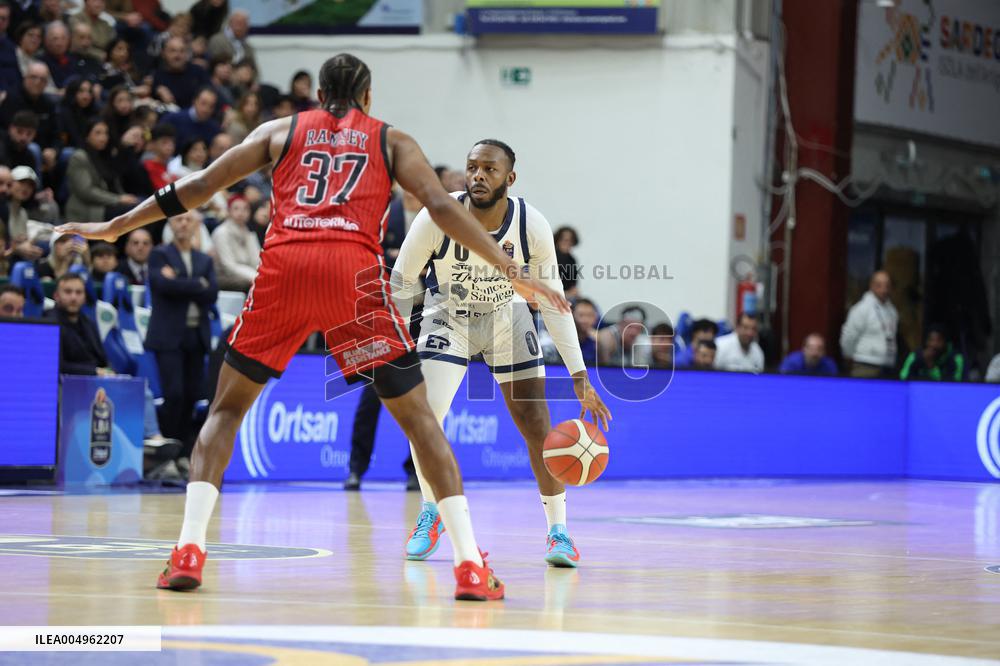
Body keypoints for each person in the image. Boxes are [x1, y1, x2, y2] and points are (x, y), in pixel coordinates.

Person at [57, 53, 567, 602]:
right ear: (368, 97)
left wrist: (117, 225)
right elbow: (442, 206)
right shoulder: (389, 140)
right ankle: (469, 566)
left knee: (225, 410)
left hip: (284, 266)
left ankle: (188, 549)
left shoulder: (281, 130)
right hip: (351, 276)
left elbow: (200, 185)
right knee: (421, 423)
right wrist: (513, 269)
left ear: (319, 95)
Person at [392, 138, 610, 569]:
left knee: (536, 424)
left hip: (505, 315)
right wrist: (392, 346)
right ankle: (429, 512)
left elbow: (553, 303)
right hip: (447, 314)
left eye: (489, 169)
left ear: (509, 178)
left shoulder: (532, 224)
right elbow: (401, 281)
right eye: (472, 167)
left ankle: (559, 532)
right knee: (427, 415)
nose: (478, 175)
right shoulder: (436, 215)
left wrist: (580, 376)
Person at [144, 211, 217, 468]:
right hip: (169, 336)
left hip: (196, 336)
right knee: (173, 394)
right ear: (171, 225)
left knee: (192, 396)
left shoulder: (203, 259)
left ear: (197, 225)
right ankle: (168, 452)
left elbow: (212, 294)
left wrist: (182, 283)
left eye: (188, 220)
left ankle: (184, 452)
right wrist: (197, 284)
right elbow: (161, 286)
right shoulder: (159, 254)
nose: (183, 223)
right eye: (178, 219)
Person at [66, 119, 139, 223]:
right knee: (134, 213)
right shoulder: (79, 157)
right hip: (90, 210)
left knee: (144, 207)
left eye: (105, 133)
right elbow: (86, 192)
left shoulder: (106, 156)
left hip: (108, 205)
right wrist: (118, 199)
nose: (103, 138)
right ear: (87, 136)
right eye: (98, 133)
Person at [43, 272, 111, 375]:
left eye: (79, 292)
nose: (74, 298)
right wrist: (95, 371)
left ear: (84, 297)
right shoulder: (49, 323)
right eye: (68, 292)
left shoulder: (89, 323)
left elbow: (102, 360)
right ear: (56, 296)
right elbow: (57, 366)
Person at [840, 270, 898, 378]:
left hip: (887, 366)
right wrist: (851, 357)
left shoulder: (892, 311)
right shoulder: (861, 308)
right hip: (865, 365)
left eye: (887, 286)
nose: (884, 289)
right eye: (879, 285)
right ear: (871, 286)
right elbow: (849, 336)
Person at [210, 193, 259, 292]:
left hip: (247, 273)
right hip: (224, 276)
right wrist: (255, 276)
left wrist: (261, 275)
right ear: (228, 211)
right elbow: (228, 266)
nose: (241, 212)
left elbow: (256, 261)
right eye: (236, 208)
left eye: (245, 209)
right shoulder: (221, 232)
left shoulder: (249, 233)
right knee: (251, 285)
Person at [160, 86, 222, 150]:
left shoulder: (214, 128)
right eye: (203, 103)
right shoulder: (173, 119)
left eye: (211, 106)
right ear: (194, 101)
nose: (206, 109)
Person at [899, 325, 966, 382]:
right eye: (930, 340)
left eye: (938, 340)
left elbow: (954, 384)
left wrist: (931, 367)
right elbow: (903, 377)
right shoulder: (915, 356)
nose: (933, 344)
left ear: (945, 342)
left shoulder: (956, 358)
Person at [143, 123, 177, 191]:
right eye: (164, 142)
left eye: (172, 142)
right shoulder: (148, 167)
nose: (170, 146)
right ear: (152, 144)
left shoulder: (174, 166)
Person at [552, 225, 581, 299]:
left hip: (567, 296)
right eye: (564, 240)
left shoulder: (572, 260)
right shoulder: (550, 257)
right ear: (558, 240)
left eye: (570, 240)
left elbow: (573, 284)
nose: (567, 243)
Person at [571, 298, 599, 367]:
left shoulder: (598, 340)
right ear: (572, 316)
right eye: (581, 315)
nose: (585, 320)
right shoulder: (562, 339)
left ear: (595, 318)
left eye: (589, 315)